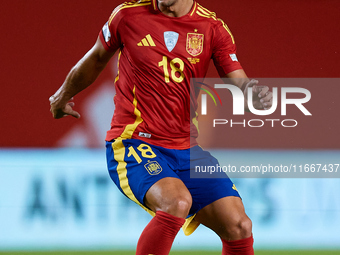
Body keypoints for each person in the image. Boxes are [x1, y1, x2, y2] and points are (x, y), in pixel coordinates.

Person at [49, 0, 273, 254]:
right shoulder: (127, 16)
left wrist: (252, 98)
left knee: (239, 225)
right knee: (175, 202)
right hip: (133, 142)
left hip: (186, 149)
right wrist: (61, 96)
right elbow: (96, 58)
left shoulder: (212, 28)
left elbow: (240, 84)